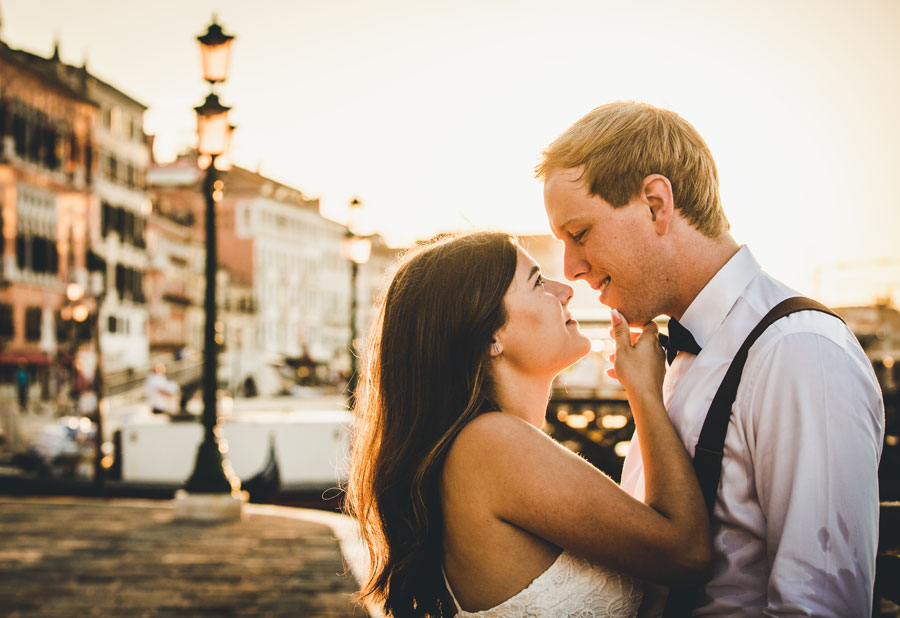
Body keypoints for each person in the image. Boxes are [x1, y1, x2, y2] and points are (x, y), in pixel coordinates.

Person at [538, 101, 885, 616]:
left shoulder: (799, 353)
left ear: (657, 204)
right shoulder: (672, 356)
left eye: (580, 233)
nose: (573, 268)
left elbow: (818, 606)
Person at [346, 232, 711, 618]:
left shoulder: (483, 445)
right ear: (490, 335)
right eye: (537, 281)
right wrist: (646, 393)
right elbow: (687, 554)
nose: (565, 290)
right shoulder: (492, 443)